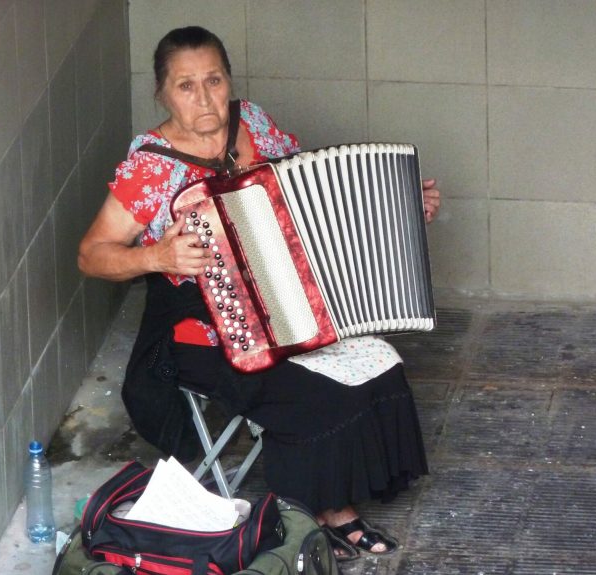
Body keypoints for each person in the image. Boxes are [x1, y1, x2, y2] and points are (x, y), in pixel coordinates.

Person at [78, 26, 441, 559]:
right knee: (314, 392)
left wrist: (401, 204)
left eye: (213, 80)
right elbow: (92, 254)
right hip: (206, 334)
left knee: (380, 362)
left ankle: (330, 506)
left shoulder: (252, 123)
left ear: (229, 79)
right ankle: (318, 519)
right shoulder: (150, 168)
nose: (203, 98)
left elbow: (311, 201)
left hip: (291, 307)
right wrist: (157, 257)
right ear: (162, 92)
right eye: (185, 86)